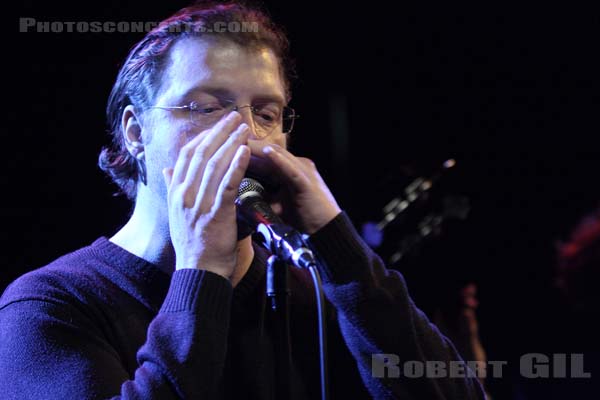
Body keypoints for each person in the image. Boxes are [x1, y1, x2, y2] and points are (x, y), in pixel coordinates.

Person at [0, 2, 485, 399]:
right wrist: (202, 270)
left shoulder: (314, 296)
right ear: (135, 132)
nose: (245, 136)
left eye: (266, 113)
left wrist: (343, 252)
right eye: (206, 107)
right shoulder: (49, 305)